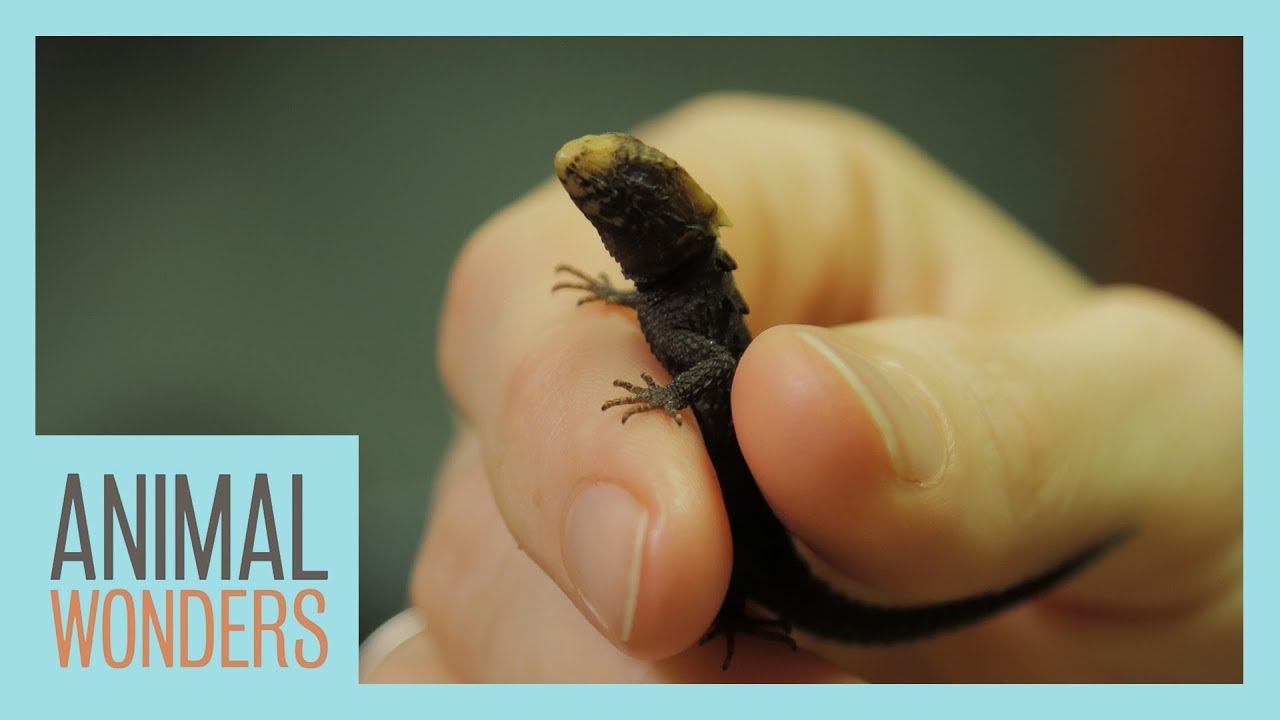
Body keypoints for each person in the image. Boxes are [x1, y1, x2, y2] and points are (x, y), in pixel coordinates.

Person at [360, 94, 1242, 682]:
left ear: (657, 222)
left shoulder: (693, 302)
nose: (590, 197)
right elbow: (688, 340)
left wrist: (667, 401)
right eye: (595, 198)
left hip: (761, 550)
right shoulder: (674, 292)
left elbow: (715, 369)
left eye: (609, 196)